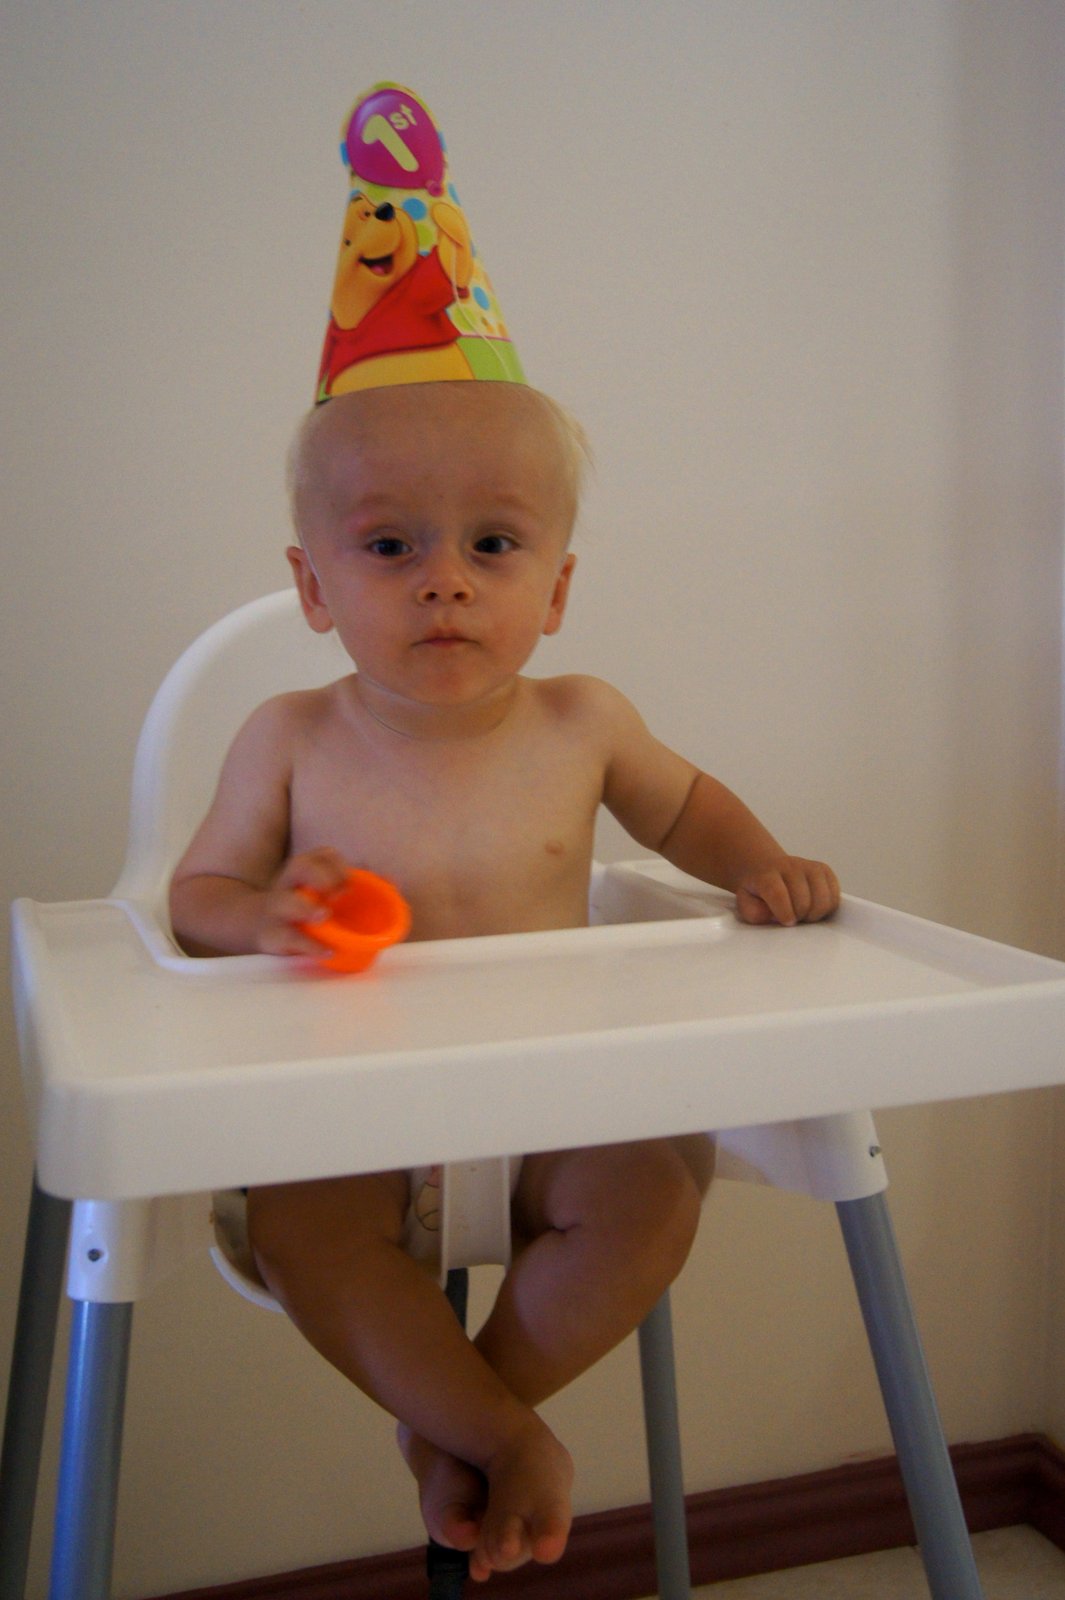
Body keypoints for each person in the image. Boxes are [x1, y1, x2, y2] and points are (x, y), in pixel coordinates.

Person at [169, 377, 840, 1583]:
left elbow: (686, 808)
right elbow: (197, 896)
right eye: (390, 545)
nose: (446, 579)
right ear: (315, 587)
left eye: (492, 543)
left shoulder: (586, 723)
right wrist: (263, 917)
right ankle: (501, 1436)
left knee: (653, 1196)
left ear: (558, 588)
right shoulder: (288, 737)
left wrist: (760, 864)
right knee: (299, 1230)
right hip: (354, 1111)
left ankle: (467, 1422)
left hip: (553, 1107)